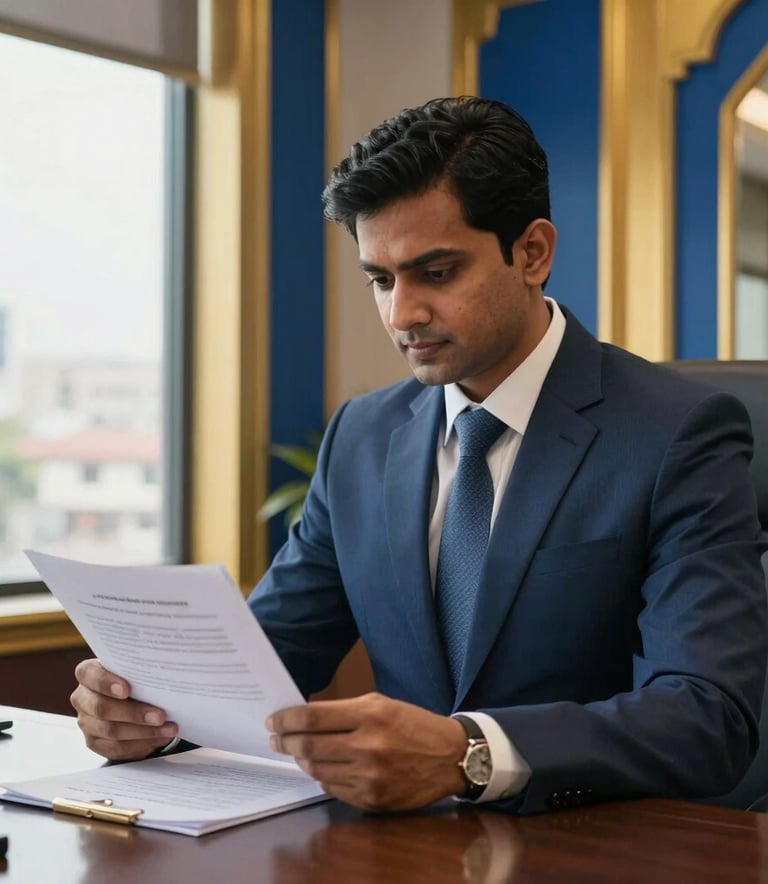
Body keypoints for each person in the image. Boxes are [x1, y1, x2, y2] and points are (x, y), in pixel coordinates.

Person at [71, 96, 768, 815]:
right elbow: (269, 661)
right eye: (380, 279)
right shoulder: (361, 436)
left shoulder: (676, 432)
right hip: (399, 850)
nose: (402, 315)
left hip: (595, 848)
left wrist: (468, 752)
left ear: (532, 252)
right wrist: (149, 715)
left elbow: (707, 717)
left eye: (436, 273)